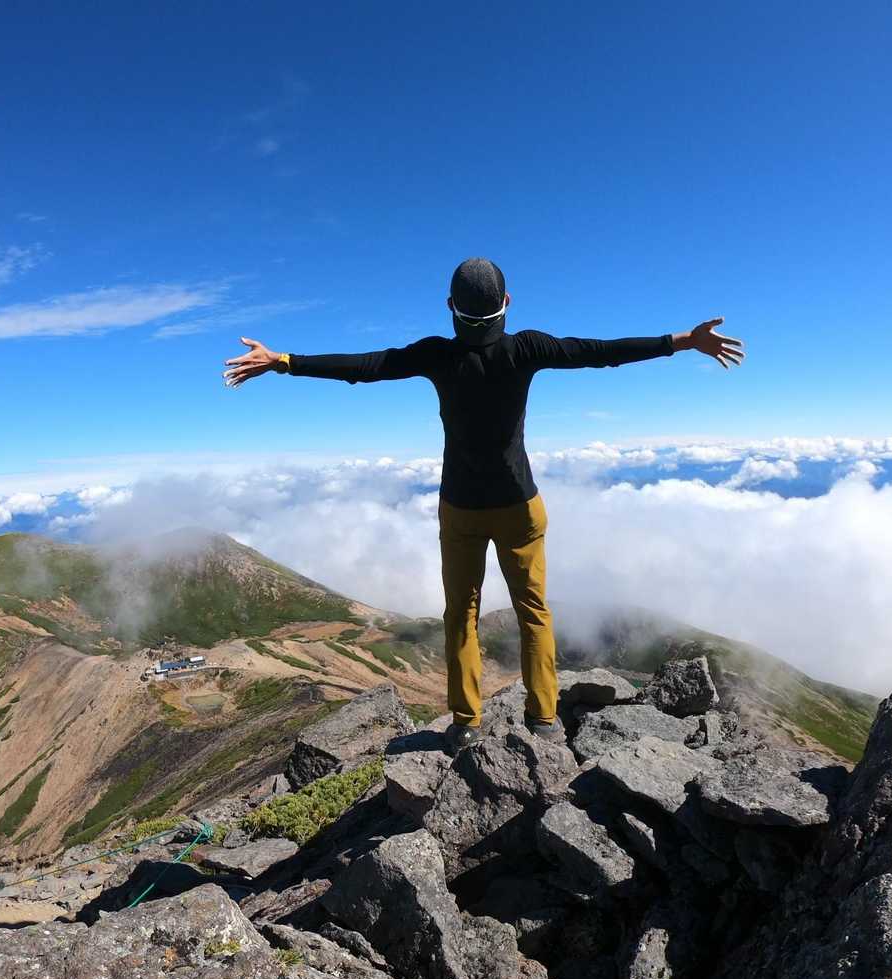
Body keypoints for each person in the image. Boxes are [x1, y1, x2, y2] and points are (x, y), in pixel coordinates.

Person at [223, 257, 744, 754]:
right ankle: (544, 720)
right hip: (520, 506)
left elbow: (366, 366)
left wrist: (283, 361)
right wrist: (682, 341)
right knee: (533, 613)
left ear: (450, 306)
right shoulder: (527, 349)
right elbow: (600, 351)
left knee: (461, 617)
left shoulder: (437, 355)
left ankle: (467, 725)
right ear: (507, 302)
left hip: (461, 509)